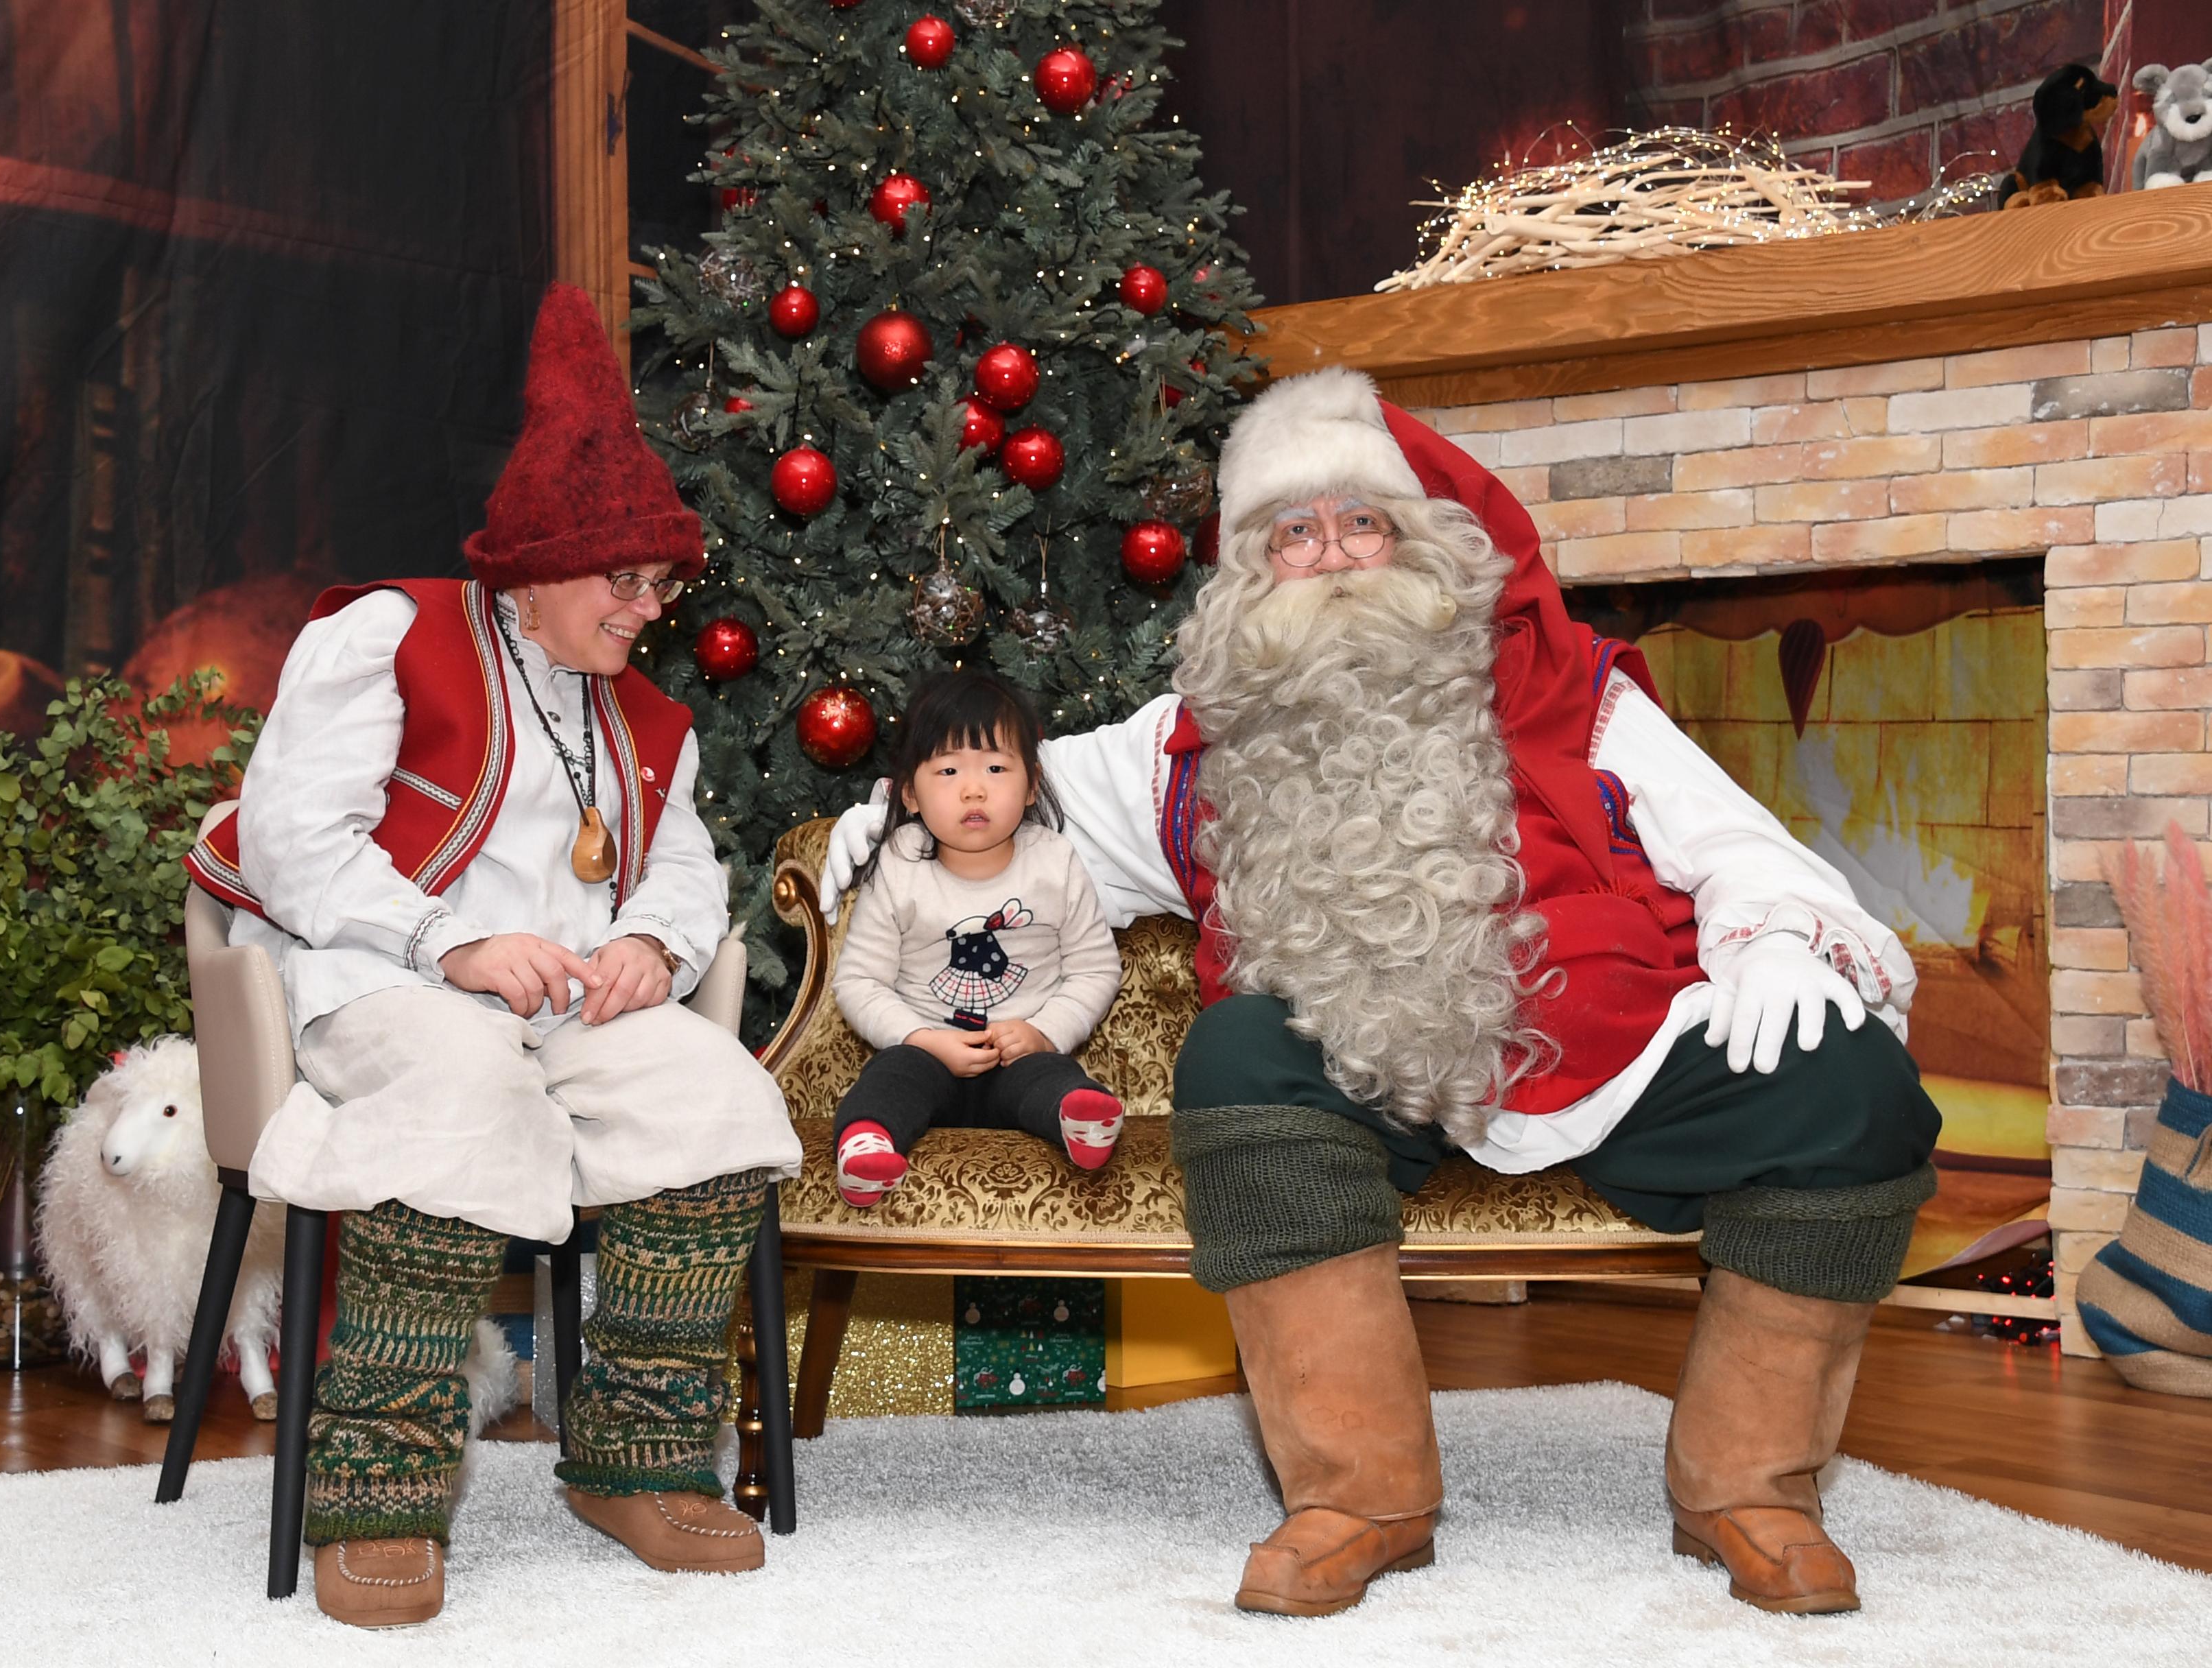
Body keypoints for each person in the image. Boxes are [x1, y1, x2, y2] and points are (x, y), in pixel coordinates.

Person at [818, 368, 1940, 1619]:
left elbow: (1739, 849)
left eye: (1363, 521)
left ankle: (1751, 1487)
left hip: (1601, 1040)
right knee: (1241, 1057)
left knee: (1851, 1084)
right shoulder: (1183, 744)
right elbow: (1022, 794)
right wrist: (890, 814)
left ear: (1428, 543)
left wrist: (1778, 945)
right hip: (1351, 1058)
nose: (1333, 556)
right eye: (1293, 532)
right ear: (1254, 569)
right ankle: (1359, 1493)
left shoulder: (1574, 697)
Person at [185, 284, 802, 1628]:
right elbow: (293, 838)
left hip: (572, 1008)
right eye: (624, 581)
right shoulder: (390, 636)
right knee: (464, 1093)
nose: (649, 609)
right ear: (535, 566)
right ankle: (382, 1493)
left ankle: (635, 1459)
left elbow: (688, 860)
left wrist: (652, 934)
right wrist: (447, 939)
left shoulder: (649, 716)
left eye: (661, 582)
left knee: (719, 1100)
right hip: (382, 987)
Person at [829, 670, 1126, 1208]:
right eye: (947, 770)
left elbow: (1096, 969)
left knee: (1052, 1077)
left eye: (995, 768)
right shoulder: (899, 863)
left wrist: (1041, 1032)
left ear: (1032, 785)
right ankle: (865, 1145)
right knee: (892, 1075)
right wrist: (919, 1037)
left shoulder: (1054, 861)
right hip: (927, 1054)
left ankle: (1080, 1120)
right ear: (912, 795)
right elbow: (859, 981)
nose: (973, 788)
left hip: (1019, 1060)